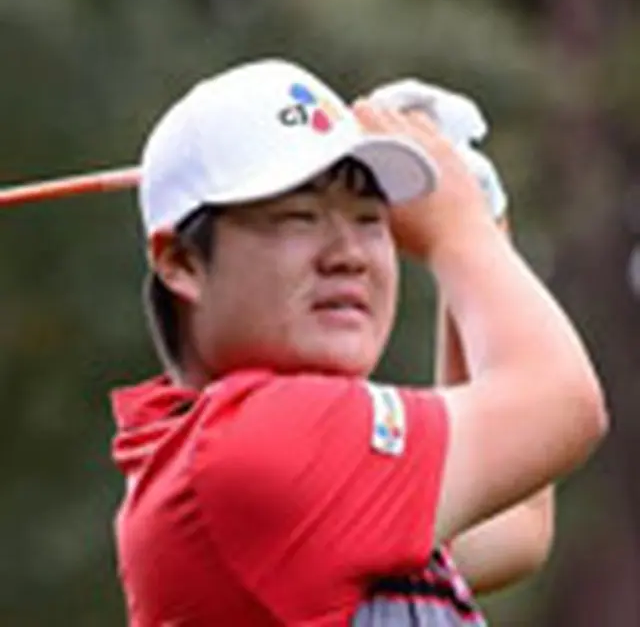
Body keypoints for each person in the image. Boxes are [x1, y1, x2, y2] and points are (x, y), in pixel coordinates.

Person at [110, 58, 608, 626]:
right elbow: (562, 404)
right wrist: (461, 229)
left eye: (371, 219)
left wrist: (480, 221)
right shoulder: (254, 444)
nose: (348, 254)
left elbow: (514, 522)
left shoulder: (283, 477)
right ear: (181, 262)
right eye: (299, 217)